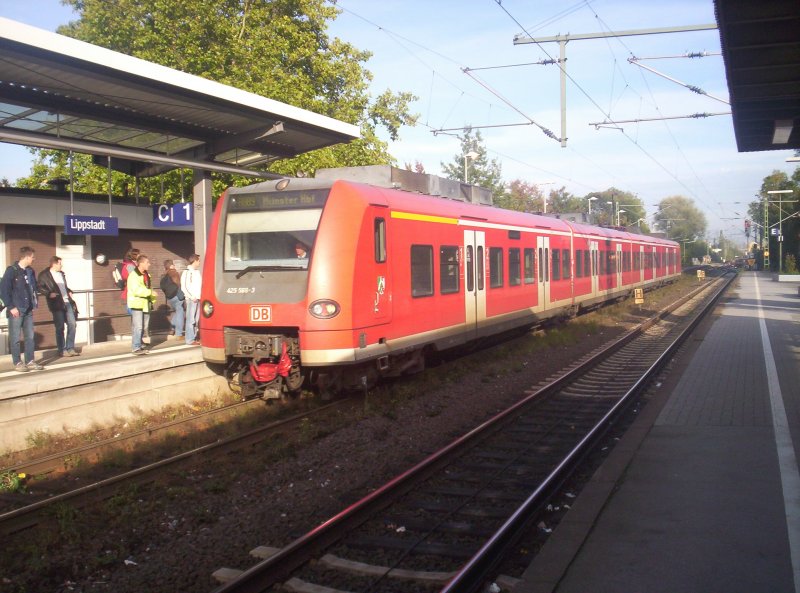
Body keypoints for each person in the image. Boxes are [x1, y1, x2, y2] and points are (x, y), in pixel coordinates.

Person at [0, 246, 43, 371]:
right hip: (16, 309)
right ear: (27, 257)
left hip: (28, 308)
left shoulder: (30, 271)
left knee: (30, 337)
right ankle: (17, 363)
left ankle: (30, 361)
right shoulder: (11, 270)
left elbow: (34, 287)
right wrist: (11, 307)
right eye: (32, 257)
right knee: (15, 338)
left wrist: (34, 302)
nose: (34, 259)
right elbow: (4, 290)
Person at [37, 256, 79, 357]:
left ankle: (70, 347)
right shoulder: (44, 275)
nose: (62, 265)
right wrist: (48, 293)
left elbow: (63, 287)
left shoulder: (61, 274)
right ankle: (62, 349)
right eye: (60, 263)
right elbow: (39, 287)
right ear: (54, 264)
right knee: (60, 327)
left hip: (67, 302)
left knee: (72, 324)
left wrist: (69, 291)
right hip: (56, 303)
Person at [126, 254, 157, 355]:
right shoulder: (133, 275)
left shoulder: (146, 274)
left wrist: (152, 298)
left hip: (145, 303)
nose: (149, 264)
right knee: (138, 326)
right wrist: (150, 293)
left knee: (144, 326)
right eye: (147, 262)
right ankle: (136, 347)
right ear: (142, 263)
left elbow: (148, 287)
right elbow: (136, 290)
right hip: (137, 304)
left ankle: (139, 343)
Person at [181, 254, 202, 345]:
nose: (199, 262)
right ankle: (189, 339)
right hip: (192, 299)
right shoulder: (187, 272)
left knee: (196, 319)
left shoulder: (197, 272)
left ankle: (193, 337)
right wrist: (191, 296)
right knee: (191, 319)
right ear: (195, 261)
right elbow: (184, 286)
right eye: (198, 260)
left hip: (198, 298)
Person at [162, 259, 184, 340]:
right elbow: (178, 284)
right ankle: (179, 334)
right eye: (173, 265)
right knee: (180, 313)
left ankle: (172, 327)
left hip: (170, 297)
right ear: (171, 266)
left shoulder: (164, 275)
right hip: (177, 296)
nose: (174, 266)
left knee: (177, 312)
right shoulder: (174, 273)